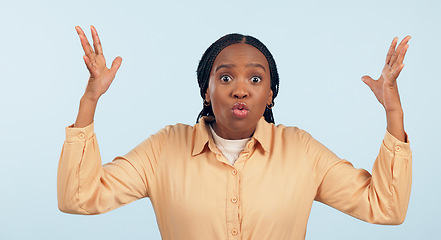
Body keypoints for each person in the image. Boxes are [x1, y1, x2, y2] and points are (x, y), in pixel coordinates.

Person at [58, 25, 412, 240]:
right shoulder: (164, 149)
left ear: (270, 93)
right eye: (225, 77)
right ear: (205, 90)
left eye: (255, 79)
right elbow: (80, 198)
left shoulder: (301, 152)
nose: (240, 90)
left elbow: (384, 208)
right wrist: (90, 100)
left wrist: (393, 112)